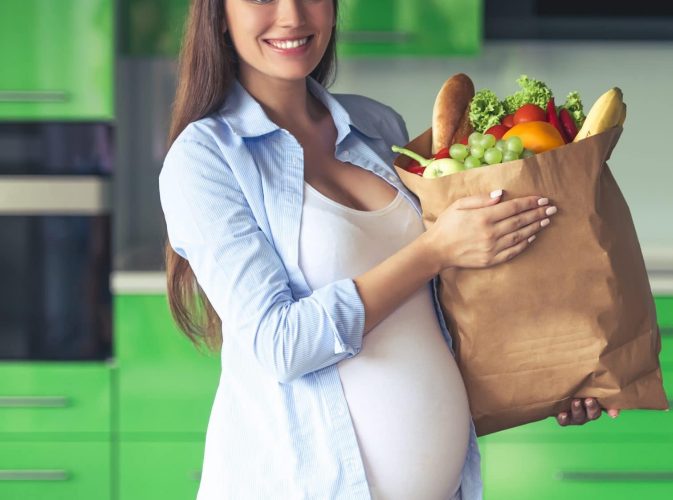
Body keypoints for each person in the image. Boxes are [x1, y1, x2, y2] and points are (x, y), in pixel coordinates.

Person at [159, 0, 617, 498]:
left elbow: (436, 312)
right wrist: (434, 251)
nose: (291, 16)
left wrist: (550, 378)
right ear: (218, 15)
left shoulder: (376, 125)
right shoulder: (205, 158)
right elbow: (279, 345)